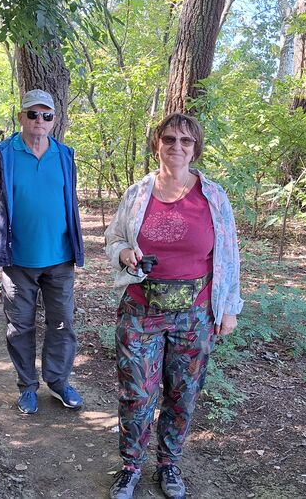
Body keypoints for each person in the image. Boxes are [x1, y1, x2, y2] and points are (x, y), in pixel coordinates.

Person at [104, 113, 242, 499]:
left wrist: (229, 307)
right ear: (157, 145)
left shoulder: (213, 196)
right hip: (140, 309)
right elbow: (114, 238)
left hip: (195, 314)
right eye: (169, 139)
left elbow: (228, 254)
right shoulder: (137, 194)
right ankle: (131, 466)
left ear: (195, 148)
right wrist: (125, 253)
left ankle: (169, 464)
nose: (176, 147)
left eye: (185, 140)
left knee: (183, 392)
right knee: (137, 393)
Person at [0, 89, 85, 415]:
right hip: (18, 261)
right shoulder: (2, 155)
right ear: (21, 117)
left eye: (46, 115)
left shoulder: (64, 156)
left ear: (54, 120)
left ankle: (58, 381)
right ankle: (27, 386)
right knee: (20, 326)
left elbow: (69, 199)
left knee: (62, 323)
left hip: (60, 258)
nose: (40, 120)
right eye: (33, 114)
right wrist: (7, 234)